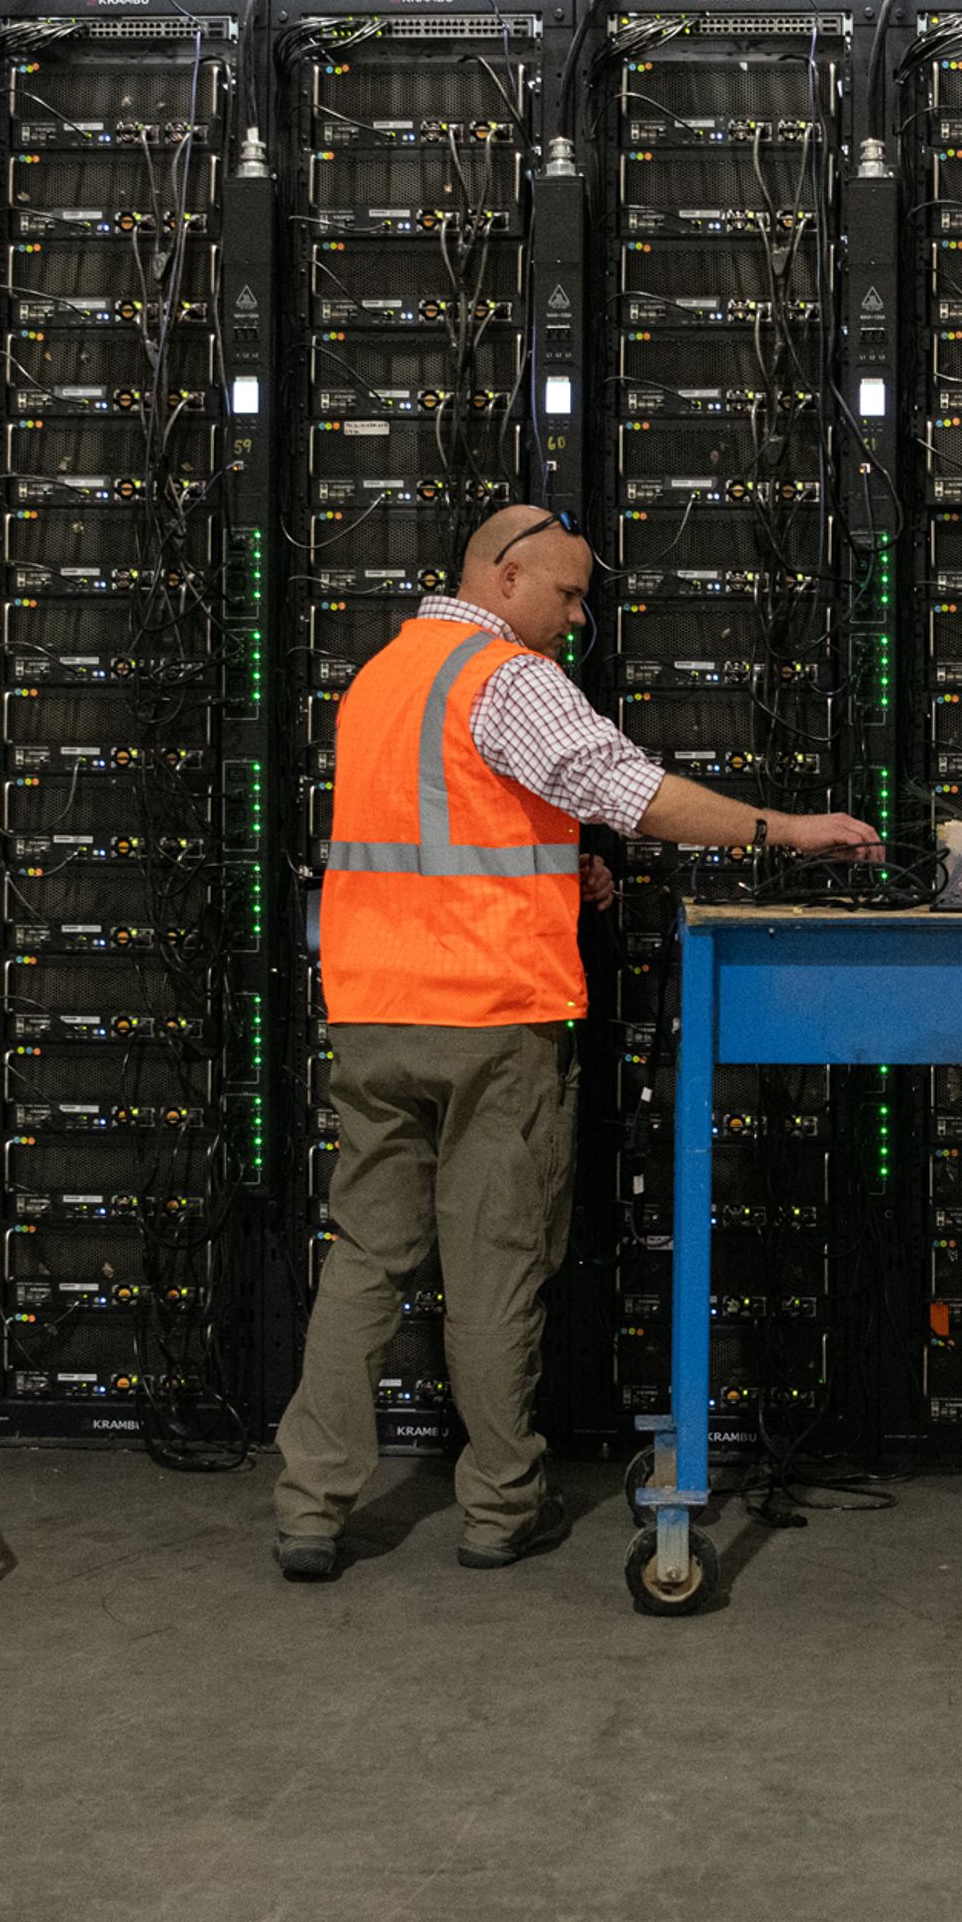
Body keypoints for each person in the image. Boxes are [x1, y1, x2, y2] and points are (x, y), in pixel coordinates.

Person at [271, 501, 882, 1579]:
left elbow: (438, 827)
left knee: (363, 1258)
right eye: (565, 591)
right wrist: (787, 831)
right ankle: (500, 1507)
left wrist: (566, 872)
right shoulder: (505, 676)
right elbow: (631, 792)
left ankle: (309, 1505)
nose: (577, 613)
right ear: (504, 577)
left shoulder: (379, 677)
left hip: (371, 1014)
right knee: (493, 1269)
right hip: (491, 1019)